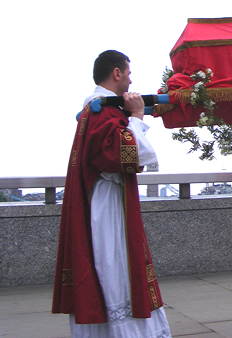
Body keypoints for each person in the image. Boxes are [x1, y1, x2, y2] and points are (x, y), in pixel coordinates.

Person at [52, 50, 172, 337]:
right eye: (128, 73)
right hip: (108, 205)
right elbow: (129, 153)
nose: (131, 79)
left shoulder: (99, 109)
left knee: (113, 268)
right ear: (116, 73)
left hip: (105, 199)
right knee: (116, 268)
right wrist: (138, 117)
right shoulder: (101, 110)